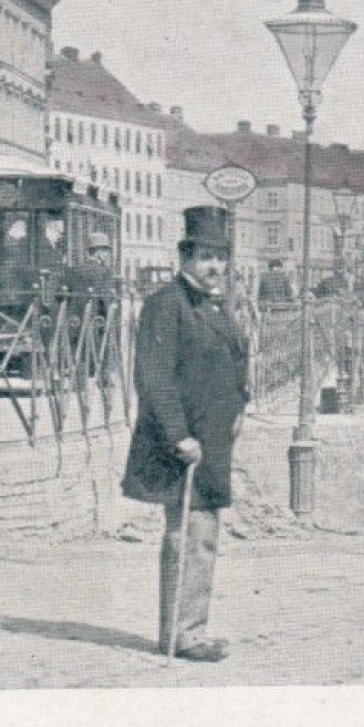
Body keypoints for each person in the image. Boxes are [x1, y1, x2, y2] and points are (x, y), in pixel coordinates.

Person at [121, 206, 249, 663]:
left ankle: (187, 628)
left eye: (221, 257)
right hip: (183, 447)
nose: (215, 266)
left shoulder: (213, 306)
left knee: (203, 534)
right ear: (184, 258)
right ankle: (183, 633)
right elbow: (154, 378)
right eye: (206, 257)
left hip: (212, 441)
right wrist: (179, 436)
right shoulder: (166, 305)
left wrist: (242, 403)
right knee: (191, 536)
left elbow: (235, 361)